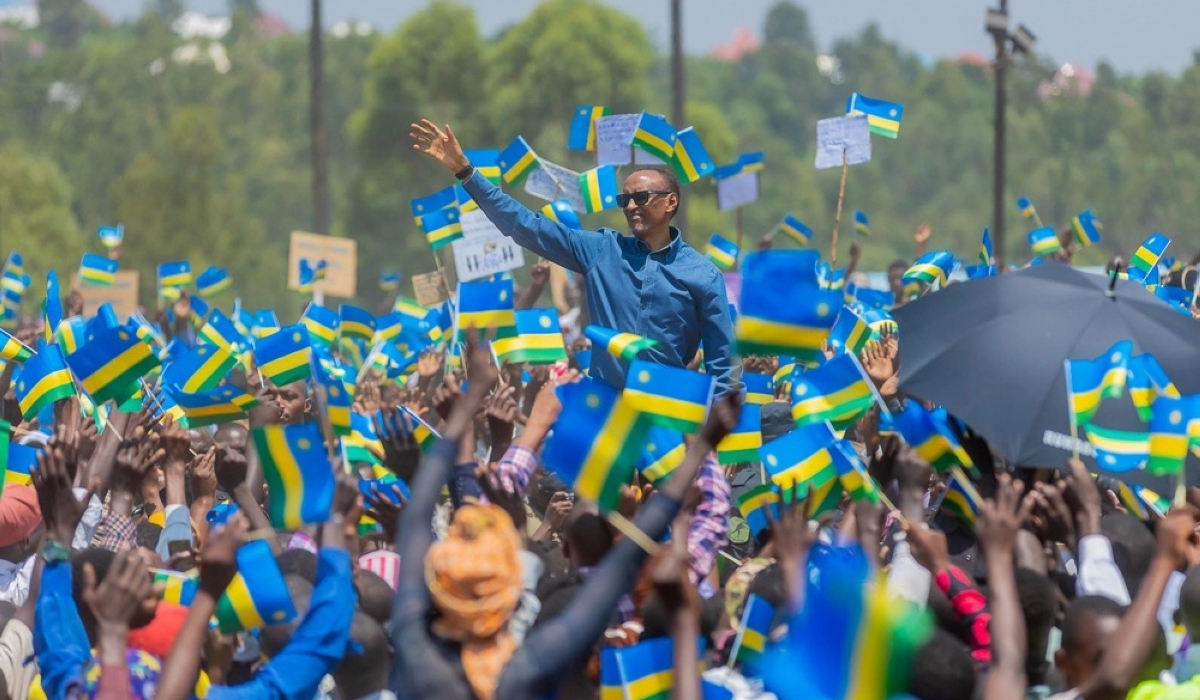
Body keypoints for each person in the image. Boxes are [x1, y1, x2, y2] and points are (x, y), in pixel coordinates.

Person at [409, 119, 739, 396]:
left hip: (668, 417)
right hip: (603, 414)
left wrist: (717, 442)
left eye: (641, 197)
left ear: (670, 203)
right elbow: (525, 225)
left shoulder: (703, 275)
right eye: (625, 199)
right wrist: (467, 172)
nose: (631, 206)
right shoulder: (602, 250)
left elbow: (724, 368)